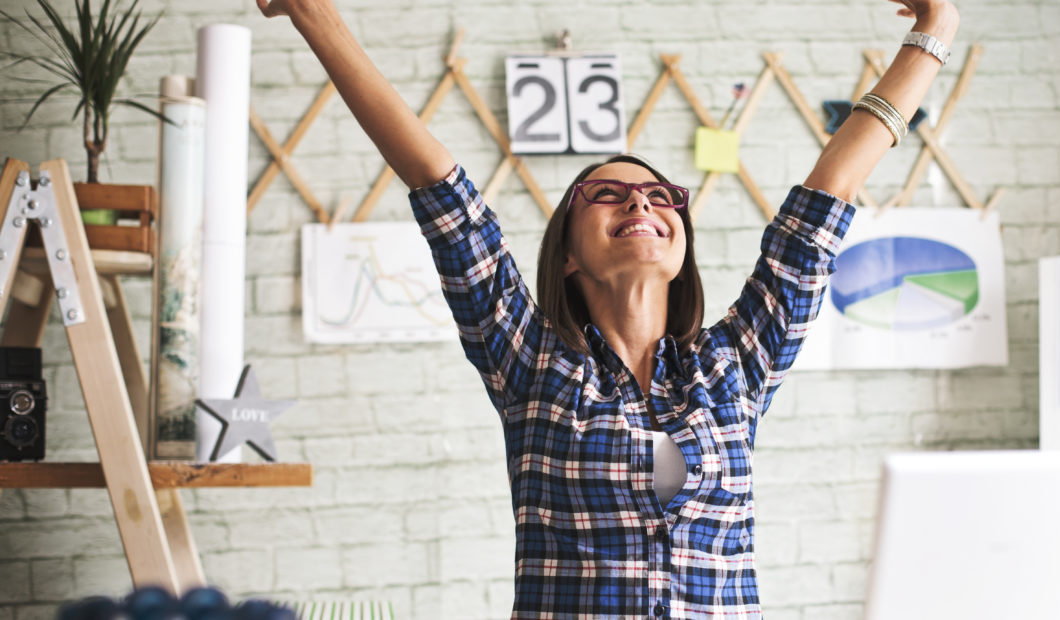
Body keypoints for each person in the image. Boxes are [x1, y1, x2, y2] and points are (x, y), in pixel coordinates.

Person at [259, 0, 958, 616]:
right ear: (567, 253)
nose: (641, 203)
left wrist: (935, 28)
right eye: (608, 194)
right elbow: (439, 189)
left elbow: (826, 198)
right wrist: (314, 13)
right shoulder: (532, 366)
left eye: (661, 197)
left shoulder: (735, 368)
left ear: (681, 242)